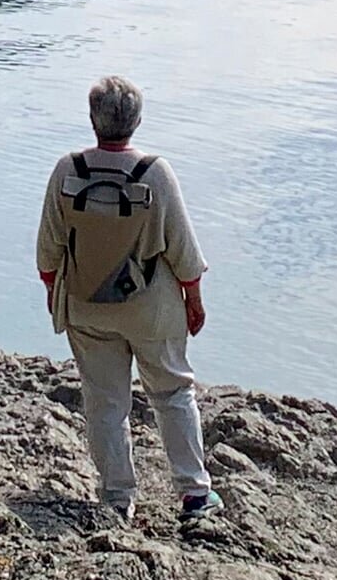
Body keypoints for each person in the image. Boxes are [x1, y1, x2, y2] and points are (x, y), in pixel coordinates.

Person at [36, 75, 218, 527]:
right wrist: (194, 302)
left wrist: (56, 296)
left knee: (105, 402)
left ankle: (118, 500)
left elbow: (47, 254)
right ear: (136, 121)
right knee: (173, 392)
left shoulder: (67, 171)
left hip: (85, 304)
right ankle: (194, 494)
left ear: (93, 118)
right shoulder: (155, 172)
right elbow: (184, 254)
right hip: (150, 307)